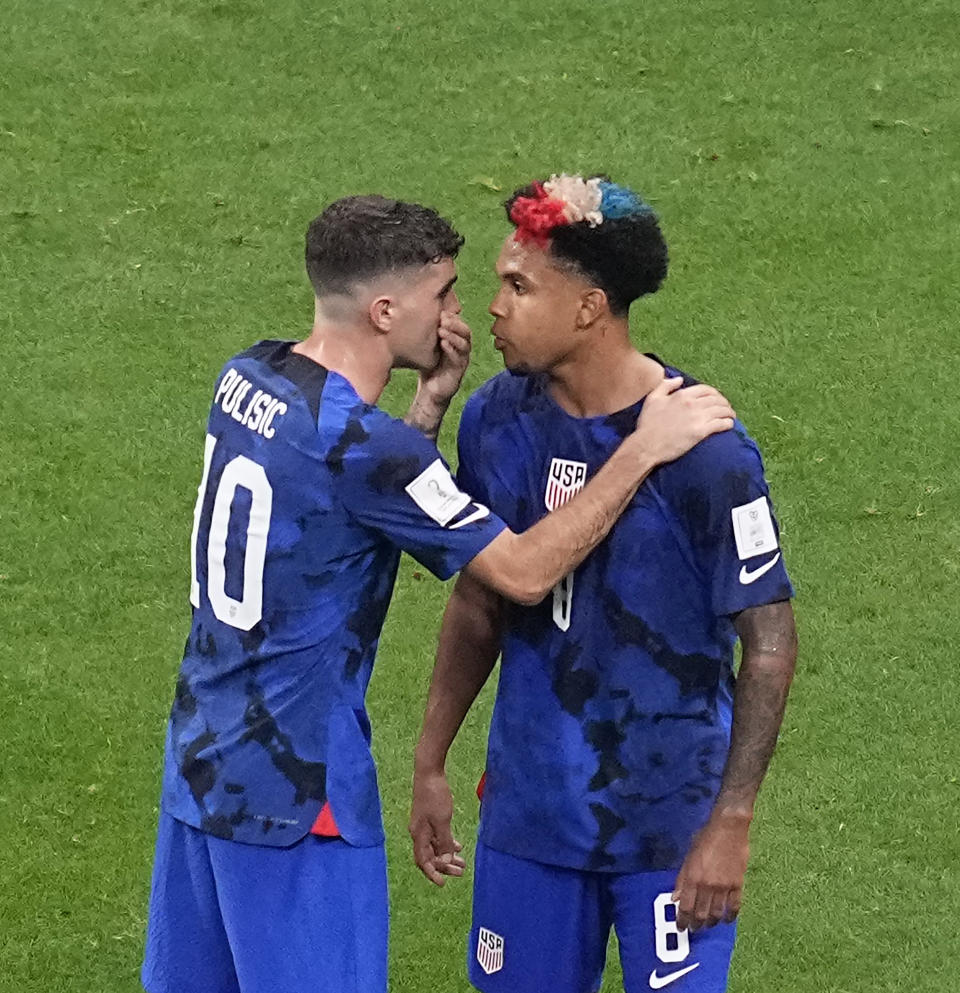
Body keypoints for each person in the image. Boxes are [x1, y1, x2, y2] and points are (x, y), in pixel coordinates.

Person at [141, 193, 736, 993]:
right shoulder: (369, 448)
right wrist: (638, 451)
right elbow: (521, 571)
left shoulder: (248, 374)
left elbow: (346, 499)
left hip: (198, 770)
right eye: (446, 292)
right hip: (296, 799)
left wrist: (426, 407)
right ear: (386, 310)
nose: (465, 313)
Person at [410, 174, 798, 993]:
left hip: (667, 827)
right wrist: (431, 760)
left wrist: (730, 822)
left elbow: (769, 644)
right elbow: (479, 601)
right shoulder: (494, 418)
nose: (494, 308)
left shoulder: (708, 451)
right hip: (530, 817)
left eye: (519, 286)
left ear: (589, 308)